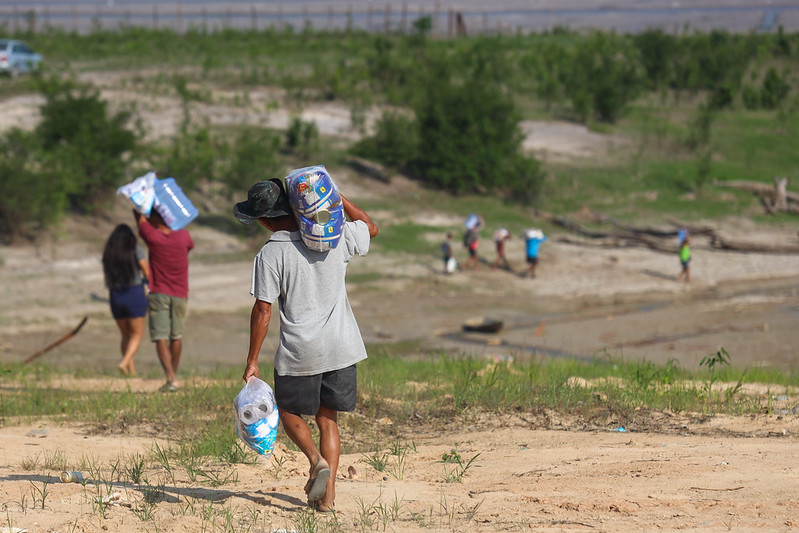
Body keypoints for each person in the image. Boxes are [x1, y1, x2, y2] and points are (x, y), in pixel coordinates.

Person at [235, 178, 378, 512]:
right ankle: (327, 500)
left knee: (287, 410)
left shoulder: (271, 254)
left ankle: (316, 460)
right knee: (328, 420)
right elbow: (370, 227)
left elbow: (263, 310)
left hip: (301, 351)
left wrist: (252, 360)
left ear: (264, 221)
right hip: (342, 346)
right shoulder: (333, 237)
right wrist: (336, 198)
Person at [133, 208, 194, 392]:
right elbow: (189, 247)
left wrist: (140, 207)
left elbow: (139, 219)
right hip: (181, 293)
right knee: (176, 336)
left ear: (154, 219)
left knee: (160, 336)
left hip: (159, 292)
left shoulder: (153, 236)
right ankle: (172, 378)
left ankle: (171, 378)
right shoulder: (183, 236)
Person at [102, 224, 151, 376]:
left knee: (125, 335)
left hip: (116, 295)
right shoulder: (135, 249)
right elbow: (147, 272)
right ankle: (124, 363)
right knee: (136, 335)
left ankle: (131, 371)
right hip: (134, 293)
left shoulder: (109, 253)